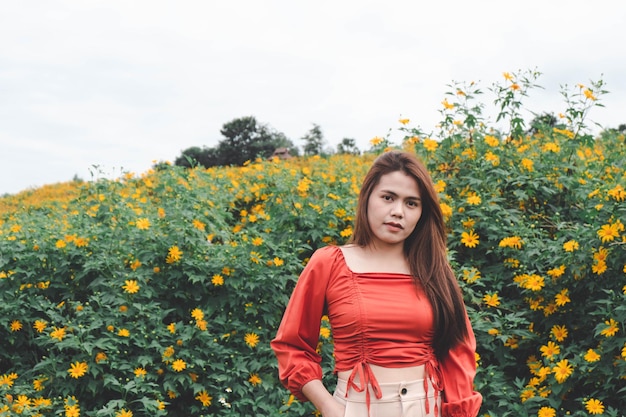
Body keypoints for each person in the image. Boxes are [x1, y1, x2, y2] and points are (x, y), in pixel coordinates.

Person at [271, 150, 482, 417]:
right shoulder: (330, 262)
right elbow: (292, 345)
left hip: (428, 407)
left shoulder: (434, 270)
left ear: (421, 213)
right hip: (355, 408)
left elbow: (457, 351)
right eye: (388, 197)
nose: (397, 212)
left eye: (411, 203)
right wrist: (328, 406)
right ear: (367, 197)